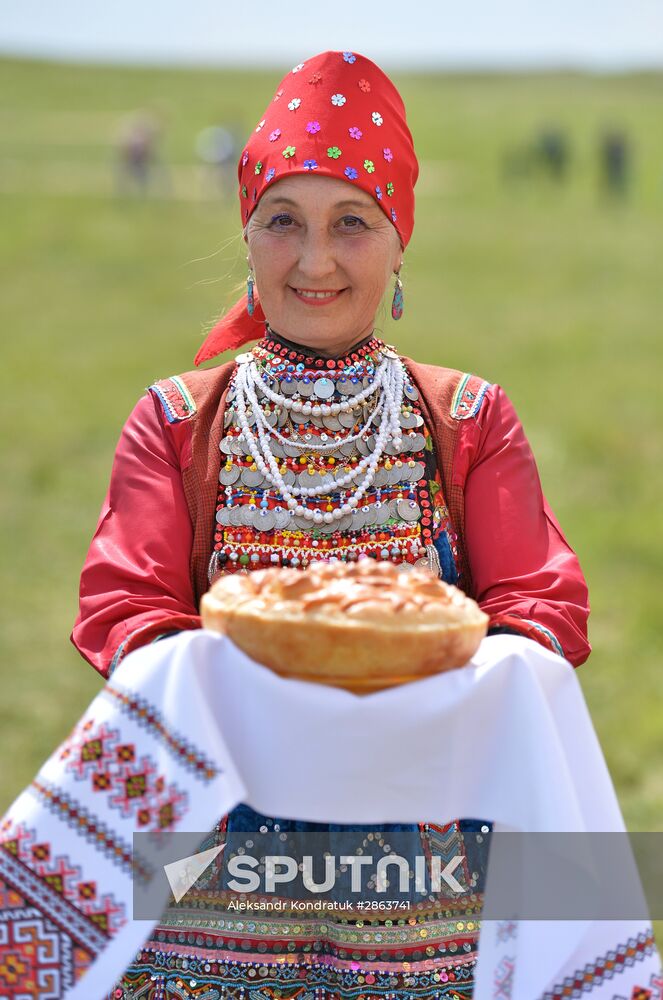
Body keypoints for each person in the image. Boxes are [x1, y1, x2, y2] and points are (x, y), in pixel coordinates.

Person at [72, 51, 590, 998]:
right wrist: (276, 704)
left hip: (431, 861)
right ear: (247, 235)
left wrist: (431, 690)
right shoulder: (176, 419)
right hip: (215, 854)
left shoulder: (469, 418)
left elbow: (540, 604)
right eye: (283, 223)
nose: (313, 261)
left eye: (350, 223)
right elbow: (129, 608)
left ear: (399, 244)